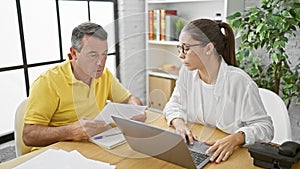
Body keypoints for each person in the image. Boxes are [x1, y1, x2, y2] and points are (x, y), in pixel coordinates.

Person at [163, 19, 274, 163]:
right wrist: (179, 124)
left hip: (230, 156)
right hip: (198, 149)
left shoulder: (240, 82)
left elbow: (266, 128)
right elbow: (173, 104)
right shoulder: (187, 73)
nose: (181, 55)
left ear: (209, 48)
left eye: (186, 48)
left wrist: (237, 138)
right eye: (180, 48)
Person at [23, 22, 146, 147]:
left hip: (96, 144)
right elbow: (29, 135)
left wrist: (135, 109)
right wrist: (70, 131)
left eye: (104, 54)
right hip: (58, 152)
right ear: (74, 53)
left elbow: (129, 98)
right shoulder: (48, 81)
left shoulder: (104, 75)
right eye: (93, 55)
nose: (100, 63)